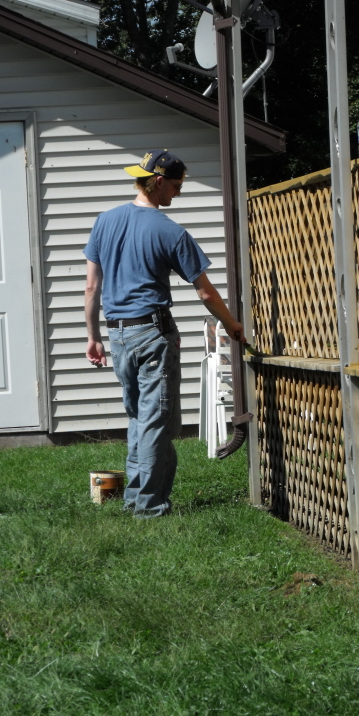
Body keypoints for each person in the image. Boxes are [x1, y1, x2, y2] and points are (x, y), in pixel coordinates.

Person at [84, 149, 245, 518]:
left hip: (117, 335)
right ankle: (148, 507)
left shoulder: (104, 221)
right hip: (152, 334)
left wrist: (93, 337)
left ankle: (136, 498)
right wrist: (231, 323)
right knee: (154, 421)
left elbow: (92, 287)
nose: (178, 192)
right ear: (157, 182)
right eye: (176, 185)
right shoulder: (170, 231)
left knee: (140, 417)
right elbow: (205, 293)